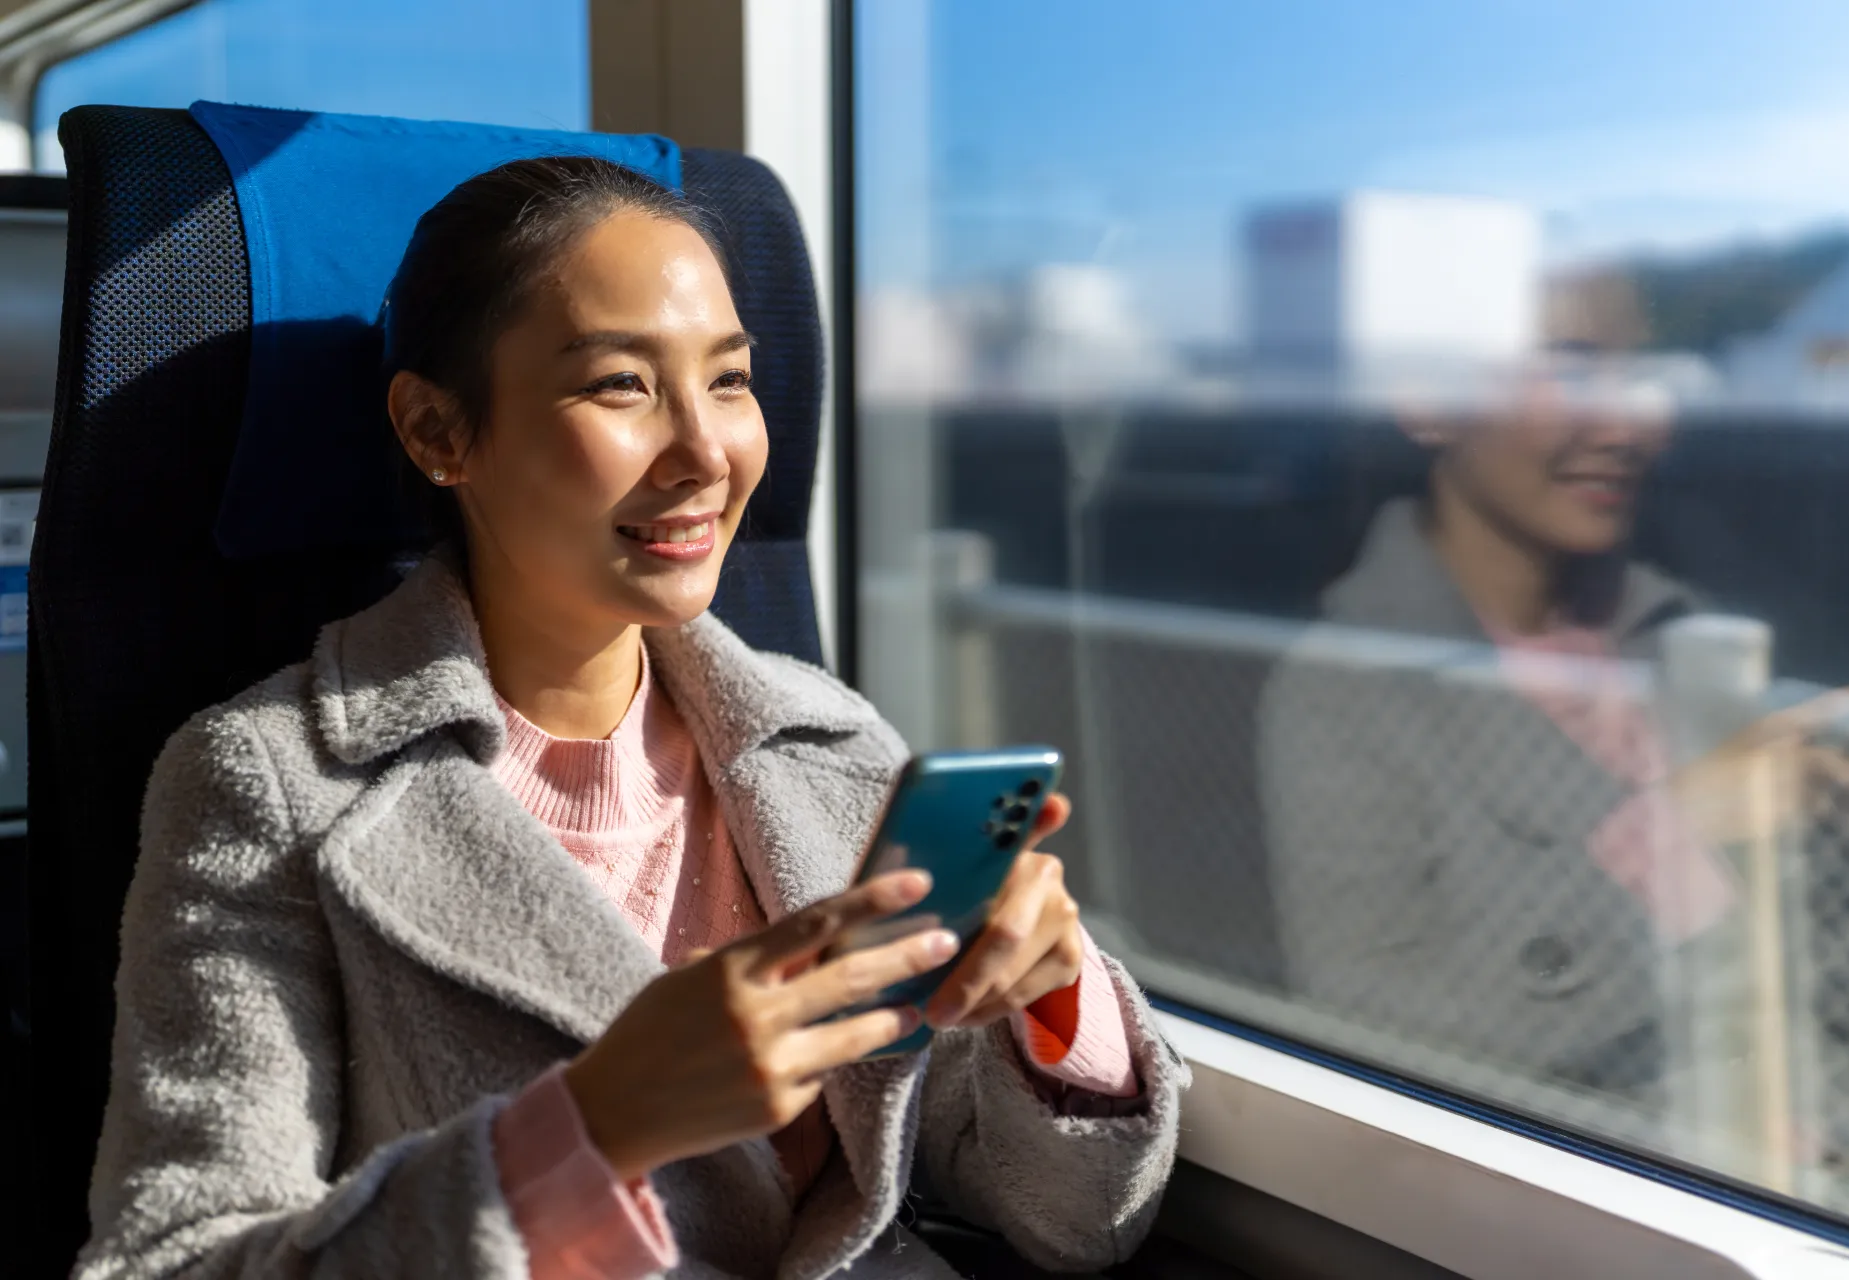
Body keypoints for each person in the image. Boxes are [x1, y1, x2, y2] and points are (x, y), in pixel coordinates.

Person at [75, 157, 1181, 1280]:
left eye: (731, 380)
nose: (707, 454)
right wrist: (594, 1128)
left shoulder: (825, 743)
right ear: (438, 431)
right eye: (621, 385)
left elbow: (1073, 1221)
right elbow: (169, 1260)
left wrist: (1056, 999)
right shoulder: (269, 785)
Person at [1259, 365, 1849, 1110]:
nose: (1630, 425)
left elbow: (1809, 964)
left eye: (1650, 373)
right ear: (1430, 401)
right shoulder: (1347, 688)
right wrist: (1675, 836)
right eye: (1571, 368)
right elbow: (1372, 1038)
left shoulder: (1679, 626)